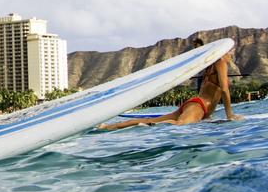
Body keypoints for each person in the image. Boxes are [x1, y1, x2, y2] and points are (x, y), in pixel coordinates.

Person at [98, 36, 243, 130]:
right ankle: (147, 125)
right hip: (199, 107)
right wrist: (229, 114)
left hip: (196, 104)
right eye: (231, 52)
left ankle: (108, 127)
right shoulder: (220, 61)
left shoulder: (209, 65)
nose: (231, 56)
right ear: (226, 51)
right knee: (179, 125)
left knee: (149, 118)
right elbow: (224, 89)